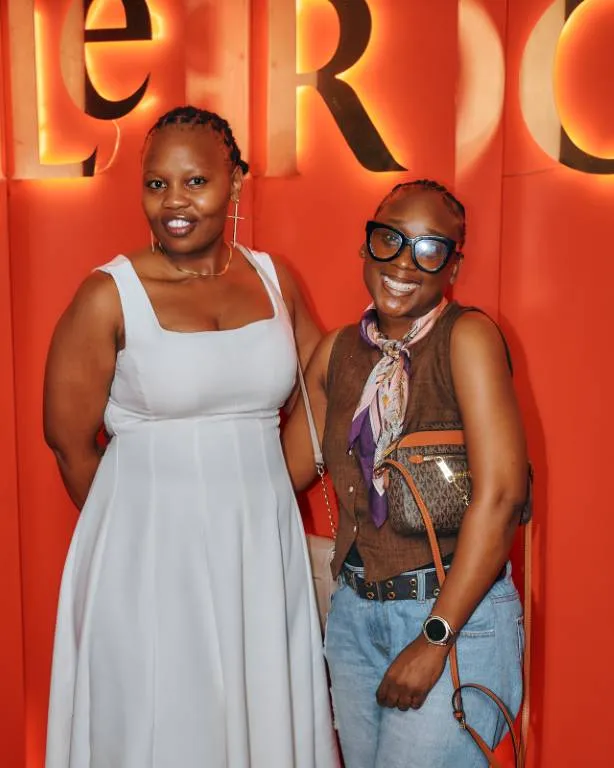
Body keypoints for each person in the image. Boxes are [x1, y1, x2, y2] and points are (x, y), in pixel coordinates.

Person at [43, 105, 338, 768]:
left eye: (195, 181)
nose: (174, 202)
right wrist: (138, 531)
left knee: (258, 712)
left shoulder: (275, 279)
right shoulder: (108, 294)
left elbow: (324, 392)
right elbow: (68, 442)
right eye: (156, 184)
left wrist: (264, 493)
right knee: (160, 722)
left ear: (235, 181)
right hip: (146, 557)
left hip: (257, 551)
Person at [283, 179, 527, 768]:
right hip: (354, 617)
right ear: (365, 245)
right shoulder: (338, 353)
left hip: (450, 618)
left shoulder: (466, 337)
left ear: (453, 266)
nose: (403, 263)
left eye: (429, 249)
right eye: (389, 239)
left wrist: (435, 637)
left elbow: (501, 497)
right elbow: (283, 472)